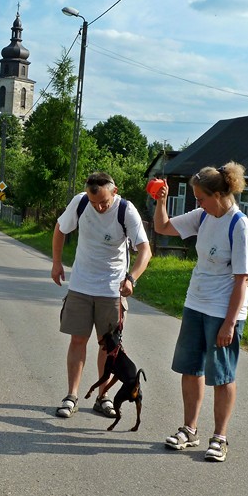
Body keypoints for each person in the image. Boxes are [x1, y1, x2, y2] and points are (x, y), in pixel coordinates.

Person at [153, 162, 248, 462]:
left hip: (223, 310)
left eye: (201, 198)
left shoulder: (239, 225)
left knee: (222, 376)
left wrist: (229, 324)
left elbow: (242, 280)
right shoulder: (203, 216)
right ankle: (189, 429)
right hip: (195, 303)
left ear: (219, 195)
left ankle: (219, 438)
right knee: (190, 368)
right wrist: (161, 202)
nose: (198, 203)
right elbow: (162, 227)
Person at [51, 172, 151, 419]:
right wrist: (56, 262)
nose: (99, 207)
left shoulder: (126, 210)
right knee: (77, 340)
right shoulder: (80, 202)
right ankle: (72, 396)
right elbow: (61, 228)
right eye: (94, 202)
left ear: (114, 191)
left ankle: (102, 396)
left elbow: (145, 250)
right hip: (81, 286)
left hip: (111, 290)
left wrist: (131, 278)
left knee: (108, 346)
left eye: (104, 202)